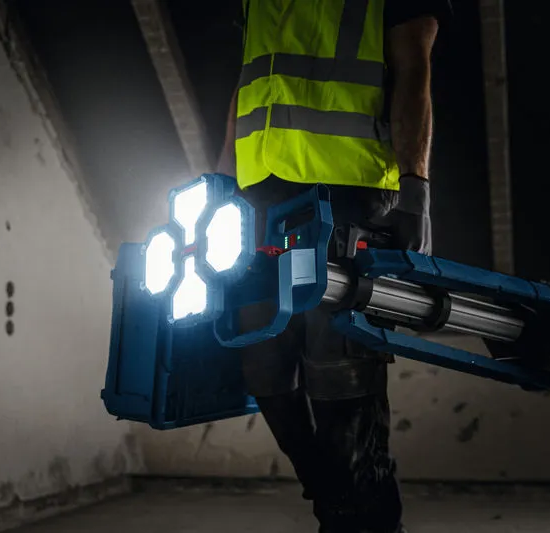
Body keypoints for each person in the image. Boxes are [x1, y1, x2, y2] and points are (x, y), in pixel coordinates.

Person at [216, 2, 451, 532]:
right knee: (262, 366)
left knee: (339, 372)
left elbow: (415, 68)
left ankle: (363, 514)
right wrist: (220, 183)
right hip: (258, 201)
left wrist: (416, 190)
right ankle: (332, 502)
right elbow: (248, 84)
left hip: (344, 194)